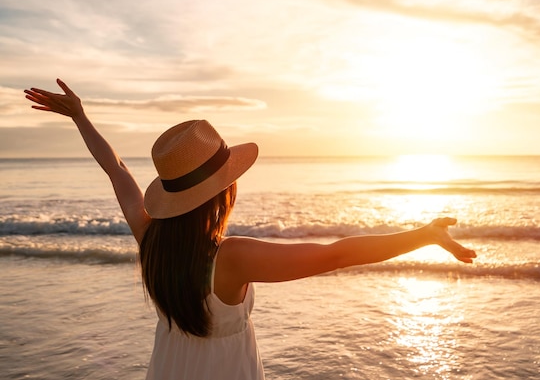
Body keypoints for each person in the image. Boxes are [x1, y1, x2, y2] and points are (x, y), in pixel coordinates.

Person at [24, 79, 477, 380]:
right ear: (222, 194)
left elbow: (117, 170)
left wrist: (80, 117)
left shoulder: (151, 237)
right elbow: (335, 254)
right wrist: (424, 235)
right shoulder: (231, 257)